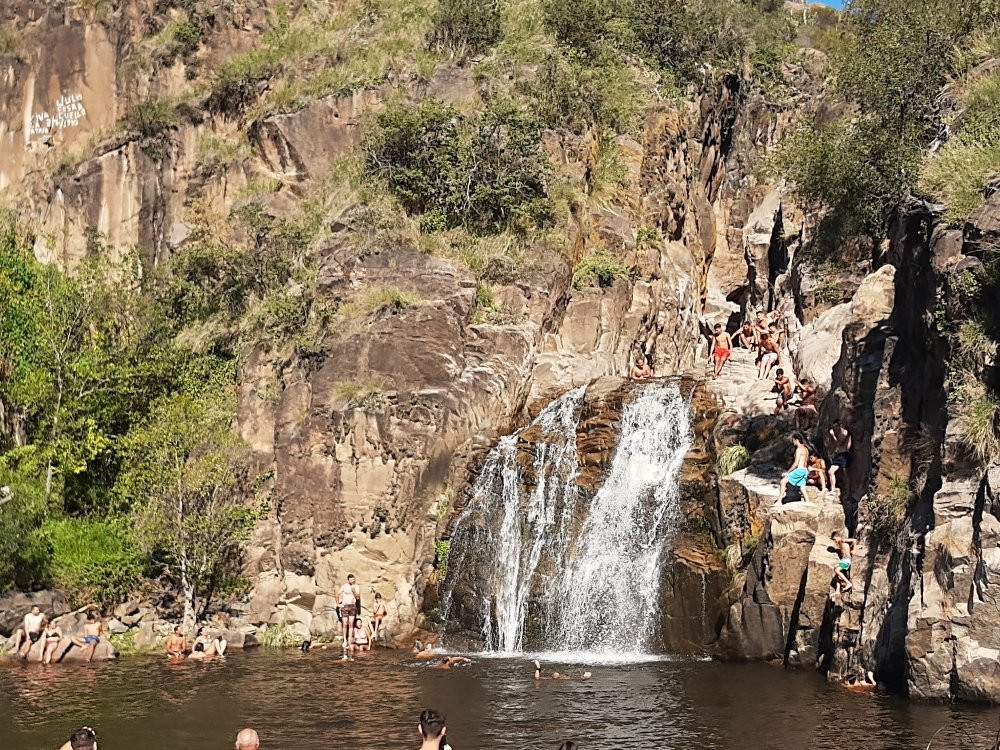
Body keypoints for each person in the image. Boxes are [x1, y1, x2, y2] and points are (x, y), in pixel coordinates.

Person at [777, 433, 811, 506]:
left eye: (793, 440)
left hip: (799, 469)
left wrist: (788, 472)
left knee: (783, 482)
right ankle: (807, 502)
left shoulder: (799, 449)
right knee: (802, 487)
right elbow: (806, 461)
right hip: (805, 470)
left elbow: (796, 463)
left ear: (796, 440)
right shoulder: (806, 449)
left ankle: (779, 501)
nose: (793, 442)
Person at [828, 420, 853, 495]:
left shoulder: (845, 433)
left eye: (836, 426)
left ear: (840, 425)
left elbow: (839, 443)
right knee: (830, 471)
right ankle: (832, 490)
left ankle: (848, 491)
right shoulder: (837, 433)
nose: (835, 428)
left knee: (845, 474)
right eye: (834, 427)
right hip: (839, 455)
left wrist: (833, 436)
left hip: (845, 454)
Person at [339, 573, 361, 659]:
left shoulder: (357, 586)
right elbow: (337, 593)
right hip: (345, 606)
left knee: (351, 624)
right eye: (351, 580)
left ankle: (349, 640)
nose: (353, 581)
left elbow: (358, 597)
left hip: (352, 606)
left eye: (353, 579)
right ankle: (344, 640)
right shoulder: (344, 586)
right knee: (345, 624)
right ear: (348, 580)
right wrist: (338, 604)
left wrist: (354, 591)